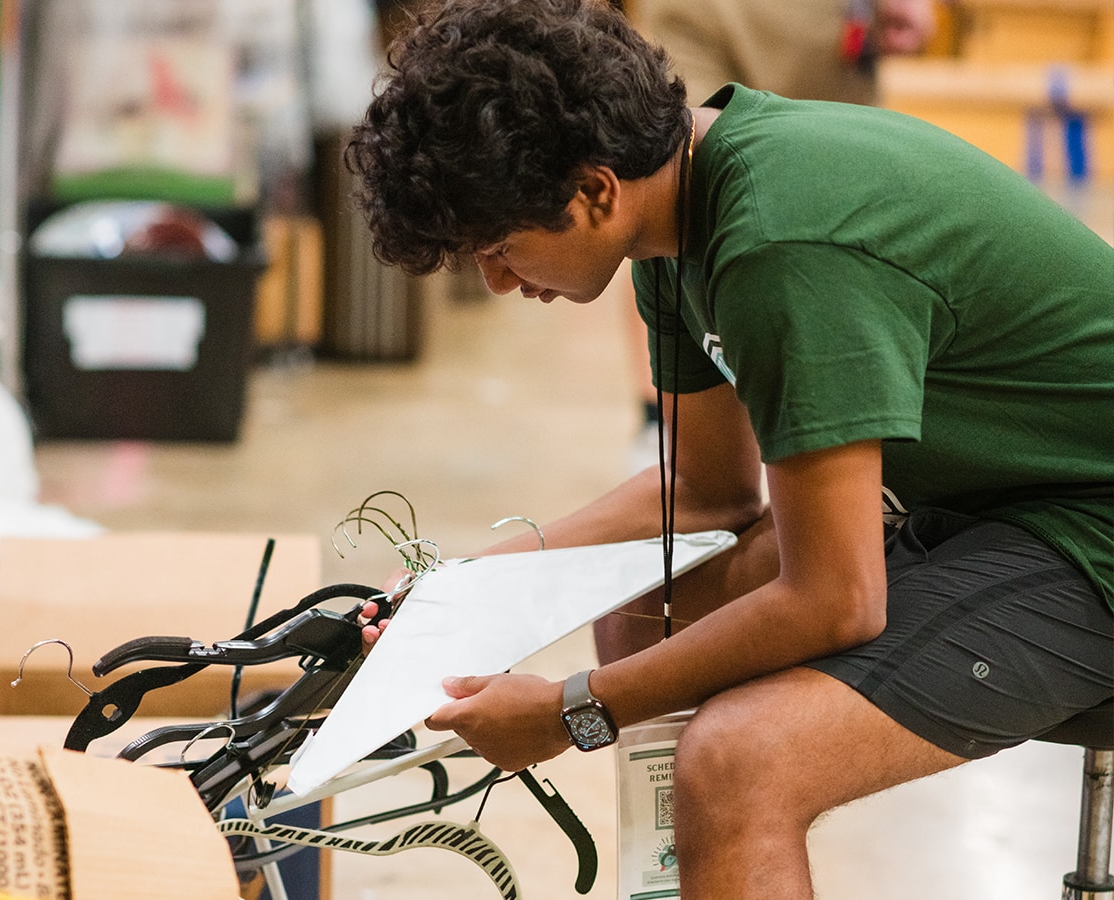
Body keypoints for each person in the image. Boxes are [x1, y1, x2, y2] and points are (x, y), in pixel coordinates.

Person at [348, 1, 1114, 897]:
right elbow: (707, 495)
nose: (498, 280)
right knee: (645, 610)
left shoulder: (781, 239)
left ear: (596, 190)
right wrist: (469, 584)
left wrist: (572, 712)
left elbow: (836, 600)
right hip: (1007, 504)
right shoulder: (673, 216)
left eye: (504, 247)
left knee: (738, 761)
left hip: (1089, 530)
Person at [623, 0, 938, 471]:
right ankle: (668, 421)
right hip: (693, 15)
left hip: (818, 26)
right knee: (670, 185)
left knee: (831, 206)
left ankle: (842, 427)